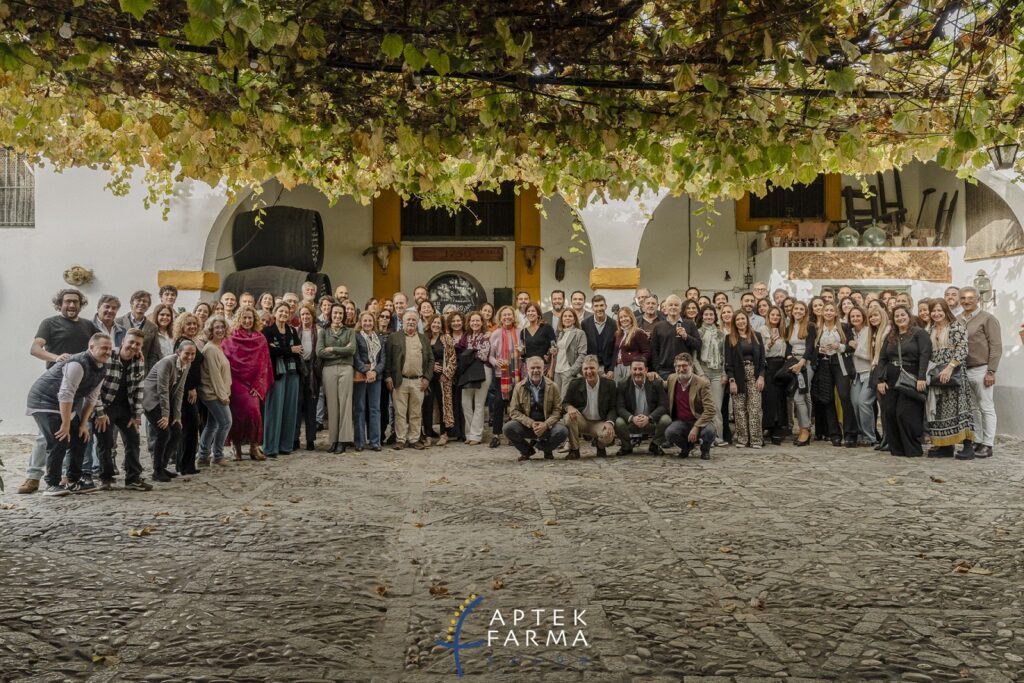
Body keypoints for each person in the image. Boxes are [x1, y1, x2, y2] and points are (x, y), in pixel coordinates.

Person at [18, 288, 98, 494]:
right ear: (59, 304)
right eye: (67, 302)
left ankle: (64, 476)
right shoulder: (49, 323)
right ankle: (33, 476)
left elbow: (98, 347)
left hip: (78, 388)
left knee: (73, 433)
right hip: (53, 388)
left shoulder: (88, 325)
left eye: (76, 302)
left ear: (81, 304)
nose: (72, 305)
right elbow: (35, 349)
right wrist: (56, 358)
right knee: (46, 436)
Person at [26, 332, 112, 496]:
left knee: (80, 437)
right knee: (60, 438)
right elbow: (65, 394)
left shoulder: (102, 367)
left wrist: (83, 425)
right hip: (43, 401)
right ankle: (52, 484)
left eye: (110, 349)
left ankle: (73, 480)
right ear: (91, 347)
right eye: (104, 348)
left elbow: (91, 398)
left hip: (63, 404)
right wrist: (65, 425)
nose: (108, 352)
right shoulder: (77, 363)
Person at [94, 328, 150, 490]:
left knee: (133, 440)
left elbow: (139, 388)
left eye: (138, 344)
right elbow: (95, 387)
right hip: (106, 406)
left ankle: (133, 478)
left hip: (126, 407)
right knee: (106, 442)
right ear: (123, 340)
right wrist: (99, 413)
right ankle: (106, 477)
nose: (133, 346)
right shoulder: (108, 356)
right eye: (131, 342)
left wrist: (137, 414)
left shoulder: (138, 360)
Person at [876, 306, 931, 457]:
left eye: (903, 315)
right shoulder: (891, 336)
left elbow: (924, 356)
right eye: (896, 316)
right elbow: (882, 358)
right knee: (890, 412)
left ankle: (912, 448)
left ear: (909, 315)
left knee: (906, 413)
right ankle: (897, 449)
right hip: (891, 377)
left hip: (911, 375)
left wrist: (921, 377)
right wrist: (880, 379)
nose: (900, 318)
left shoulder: (920, 333)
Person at [926, 299, 975, 458]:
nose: (936, 313)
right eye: (933, 310)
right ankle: (945, 446)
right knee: (940, 410)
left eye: (940, 310)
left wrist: (949, 368)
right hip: (936, 373)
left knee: (960, 408)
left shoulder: (955, 326)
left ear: (946, 311)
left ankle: (968, 448)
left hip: (954, 372)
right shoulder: (930, 329)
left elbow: (962, 349)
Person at [222, 306, 272, 461]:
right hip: (235, 381)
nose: (247, 321)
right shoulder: (230, 337)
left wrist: (258, 386)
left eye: (250, 318)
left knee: (254, 411)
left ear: (255, 319)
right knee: (236, 415)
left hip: (253, 383)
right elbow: (225, 360)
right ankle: (236, 448)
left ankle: (254, 447)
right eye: (244, 318)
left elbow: (264, 363)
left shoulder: (260, 338)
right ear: (239, 319)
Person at [958, 286, 1002, 459]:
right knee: (972, 409)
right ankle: (978, 440)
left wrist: (991, 371)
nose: (966, 301)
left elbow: (996, 346)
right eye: (963, 298)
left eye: (970, 298)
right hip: (963, 370)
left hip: (982, 369)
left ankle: (988, 444)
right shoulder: (957, 319)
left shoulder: (988, 318)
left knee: (986, 407)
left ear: (977, 299)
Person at [143, 341, 196, 482]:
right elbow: (162, 390)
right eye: (187, 353)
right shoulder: (167, 363)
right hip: (151, 400)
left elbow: (179, 390)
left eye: (192, 354)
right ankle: (157, 470)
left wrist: (176, 416)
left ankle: (163, 465)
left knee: (177, 430)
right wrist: (166, 415)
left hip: (165, 401)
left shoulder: (187, 364)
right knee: (163, 432)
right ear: (178, 352)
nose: (190, 357)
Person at [808, 302, 857, 447]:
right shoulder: (817, 329)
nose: (829, 312)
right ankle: (834, 434)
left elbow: (852, 347)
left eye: (831, 310)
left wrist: (839, 346)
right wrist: (819, 351)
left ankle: (850, 434)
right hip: (823, 365)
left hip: (840, 363)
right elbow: (811, 349)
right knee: (827, 399)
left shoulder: (845, 327)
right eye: (826, 310)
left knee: (844, 397)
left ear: (836, 313)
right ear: (822, 313)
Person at [503, 356, 569, 461]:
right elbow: (513, 411)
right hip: (528, 426)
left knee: (563, 431)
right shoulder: (519, 387)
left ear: (543, 369)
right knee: (508, 428)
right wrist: (531, 423)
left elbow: (558, 410)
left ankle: (545, 448)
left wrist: (546, 424)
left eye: (538, 368)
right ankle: (527, 451)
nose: (536, 371)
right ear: (527, 369)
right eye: (532, 368)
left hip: (548, 427)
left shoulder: (553, 386)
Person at [385, 311, 433, 450]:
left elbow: (430, 360)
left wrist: (427, 378)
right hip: (400, 381)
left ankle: (414, 439)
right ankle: (400, 439)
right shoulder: (394, 337)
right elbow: (388, 359)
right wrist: (388, 376)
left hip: (419, 382)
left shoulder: (423, 339)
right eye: (408, 320)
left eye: (413, 320)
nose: (411, 322)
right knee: (399, 412)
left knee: (416, 412)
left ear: (417, 322)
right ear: (403, 322)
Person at [262, 302, 301, 458]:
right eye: (281, 311)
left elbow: (299, 349)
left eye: (286, 312)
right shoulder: (267, 331)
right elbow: (269, 351)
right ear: (275, 313)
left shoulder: (292, 330)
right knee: (274, 410)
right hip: (276, 373)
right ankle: (270, 447)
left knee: (290, 409)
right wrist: (289, 350)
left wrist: (281, 351)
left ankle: (286, 445)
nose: (284, 314)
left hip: (292, 372)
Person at [318, 302, 357, 453]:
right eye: (335, 313)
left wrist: (333, 349)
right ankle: (333, 440)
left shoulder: (349, 332)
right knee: (332, 405)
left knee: (345, 404)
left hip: (346, 369)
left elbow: (352, 350)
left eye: (341, 313)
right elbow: (320, 352)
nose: (338, 316)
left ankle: (343, 440)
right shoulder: (324, 332)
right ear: (330, 314)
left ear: (344, 315)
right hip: (328, 370)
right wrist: (343, 350)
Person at [561, 355, 616, 459]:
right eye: (585, 369)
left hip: (600, 421)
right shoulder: (574, 384)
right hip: (583, 420)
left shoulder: (609, 385)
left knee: (608, 434)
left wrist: (609, 422)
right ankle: (574, 450)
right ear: (582, 371)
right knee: (568, 417)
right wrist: (569, 408)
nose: (589, 371)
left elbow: (613, 407)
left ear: (598, 368)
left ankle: (600, 446)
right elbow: (564, 403)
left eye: (592, 368)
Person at [664, 353, 717, 459]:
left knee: (709, 431)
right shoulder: (672, 379)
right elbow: (661, 384)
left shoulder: (702, 383)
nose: (681, 369)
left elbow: (710, 410)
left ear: (691, 367)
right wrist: (652, 376)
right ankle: (686, 447)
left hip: (699, 420)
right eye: (678, 366)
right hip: (681, 421)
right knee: (670, 433)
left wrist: (696, 427)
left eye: (684, 366)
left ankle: (705, 449)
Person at [725, 311, 765, 448]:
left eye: (743, 319)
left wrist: (761, 376)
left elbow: (762, 360)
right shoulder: (729, 338)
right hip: (737, 375)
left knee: (755, 407)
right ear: (734, 323)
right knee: (739, 408)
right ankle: (742, 439)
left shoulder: (757, 336)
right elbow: (728, 362)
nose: (740, 322)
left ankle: (756, 440)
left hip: (754, 374)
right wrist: (732, 380)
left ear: (747, 320)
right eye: (737, 320)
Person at [614, 358, 669, 455]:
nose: (637, 372)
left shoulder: (656, 383)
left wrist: (649, 418)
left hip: (651, 422)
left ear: (646, 370)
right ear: (630, 370)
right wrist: (632, 418)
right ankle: (626, 447)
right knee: (618, 422)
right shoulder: (623, 384)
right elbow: (620, 407)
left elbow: (663, 405)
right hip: (632, 423)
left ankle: (655, 445)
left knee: (666, 420)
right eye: (634, 369)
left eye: (640, 369)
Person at [172, 313, 205, 474]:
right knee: (189, 427)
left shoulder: (191, 342)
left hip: (191, 389)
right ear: (182, 326)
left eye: (194, 324)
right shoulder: (182, 343)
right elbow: (185, 367)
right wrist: (191, 387)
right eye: (188, 324)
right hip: (186, 390)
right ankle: (185, 465)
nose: (192, 327)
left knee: (191, 427)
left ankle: (186, 464)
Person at [197, 315, 232, 467]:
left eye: (222, 327)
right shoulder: (210, 349)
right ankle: (217, 455)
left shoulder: (218, 346)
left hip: (217, 392)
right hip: (212, 394)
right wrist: (222, 395)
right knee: (226, 422)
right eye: (216, 327)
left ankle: (203, 456)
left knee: (212, 425)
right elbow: (214, 375)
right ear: (211, 330)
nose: (220, 330)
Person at [488, 305, 521, 447]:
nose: (507, 317)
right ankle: (496, 434)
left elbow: (524, 353)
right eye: (504, 315)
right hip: (500, 374)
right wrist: (497, 362)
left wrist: (521, 351)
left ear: (514, 317)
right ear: (500, 318)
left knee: (515, 404)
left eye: (510, 315)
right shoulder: (495, 333)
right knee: (499, 403)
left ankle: (513, 434)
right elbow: (490, 356)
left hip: (517, 374)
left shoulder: (520, 332)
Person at [456, 311, 491, 445]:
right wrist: (471, 352)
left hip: (483, 370)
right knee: (465, 403)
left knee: (479, 404)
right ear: (469, 323)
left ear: (482, 322)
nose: (475, 323)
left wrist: (468, 353)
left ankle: (476, 435)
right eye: (472, 321)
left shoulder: (487, 336)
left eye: (477, 321)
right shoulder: (466, 336)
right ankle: (469, 433)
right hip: (468, 372)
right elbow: (459, 350)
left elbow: (483, 355)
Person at [421, 314, 456, 446]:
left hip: (443, 378)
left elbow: (453, 358)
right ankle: (428, 435)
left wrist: (446, 374)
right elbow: (420, 357)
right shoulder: (424, 339)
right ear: (430, 324)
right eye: (434, 323)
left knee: (444, 406)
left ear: (442, 325)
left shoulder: (447, 339)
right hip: (428, 377)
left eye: (439, 323)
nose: (436, 325)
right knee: (427, 406)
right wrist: (430, 367)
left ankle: (444, 434)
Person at [353, 311, 385, 452]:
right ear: (360, 322)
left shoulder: (380, 338)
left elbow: (383, 359)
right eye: (365, 321)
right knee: (359, 409)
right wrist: (366, 371)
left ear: (374, 322)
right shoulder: (356, 336)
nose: (367, 323)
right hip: (361, 376)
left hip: (376, 377)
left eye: (370, 321)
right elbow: (356, 357)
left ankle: (375, 442)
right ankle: (359, 441)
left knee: (375, 409)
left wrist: (375, 372)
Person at [649, 295, 701, 380]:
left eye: (676, 305)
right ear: (665, 308)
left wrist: (686, 337)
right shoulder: (658, 326)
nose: (673, 307)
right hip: (664, 371)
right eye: (670, 305)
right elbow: (654, 350)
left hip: (685, 369)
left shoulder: (689, 324)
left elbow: (698, 345)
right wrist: (658, 369)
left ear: (680, 308)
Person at [696, 305, 727, 444]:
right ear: (702, 316)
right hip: (702, 373)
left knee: (716, 407)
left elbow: (725, 356)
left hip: (717, 374)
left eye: (711, 314)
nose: (709, 317)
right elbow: (694, 357)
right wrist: (701, 374)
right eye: (706, 314)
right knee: (703, 406)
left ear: (715, 317)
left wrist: (724, 373)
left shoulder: (722, 334)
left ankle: (717, 436)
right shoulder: (697, 333)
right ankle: (705, 437)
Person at [848, 305, 877, 447]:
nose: (855, 318)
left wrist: (856, 348)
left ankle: (870, 436)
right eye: (852, 316)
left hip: (869, 372)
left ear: (863, 317)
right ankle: (860, 434)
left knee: (863, 402)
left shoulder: (869, 331)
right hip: (856, 374)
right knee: (854, 403)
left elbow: (871, 356)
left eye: (858, 316)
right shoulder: (850, 332)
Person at [785, 301, 813, 447]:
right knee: (804, 396)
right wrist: (790, 358)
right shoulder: (790, 326)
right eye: (796, 308)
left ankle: (804, 430)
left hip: (805, 364)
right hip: (793, 362)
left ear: (805, 311)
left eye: (801, 309)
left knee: (800, 396)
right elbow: (787, 346)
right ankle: (807, 427)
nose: (798, 311)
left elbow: (810, 347)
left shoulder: (810, 326)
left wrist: (801, 363)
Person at [761, 306, 789, 444]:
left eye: (778, 315)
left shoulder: (784, 331)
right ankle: (770, 426)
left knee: (781, 397)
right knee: (770, 398)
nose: (775, 317)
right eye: (773, 314)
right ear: (768, 315)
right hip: (769, 365)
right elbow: (761, 352)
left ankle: (780, 427)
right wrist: (770, 344)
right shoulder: (762, 330)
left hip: (782, 366)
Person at [295, 304, 321, 452]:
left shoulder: (318, 332)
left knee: (311, 407)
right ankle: (295, 438)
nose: (305, 317)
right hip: (298, 370)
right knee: (297, 407)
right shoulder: (295, 331)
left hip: (312, 372)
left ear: (312, 316)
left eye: (308, 314)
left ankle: (310, 439)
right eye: (303, 314)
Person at [116, 290, 162, 371]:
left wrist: (150, 373)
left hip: (141, 371)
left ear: (148, 306)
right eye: (138, 300)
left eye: (145, 301)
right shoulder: (117, 322)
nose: (141, 303)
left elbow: (153, 354)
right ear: (132, 303)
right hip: (118, 368)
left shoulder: (153, 327)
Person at [551, 309, 587, 393]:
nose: (567, 318)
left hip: (568, 371)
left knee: (564, 400)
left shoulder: (579, 333)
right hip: (557, 371)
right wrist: (554, 352)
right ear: (562, 319)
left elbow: (582, 354)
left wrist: (572, 371)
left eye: (570, 316)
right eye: (565, 316)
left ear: (574, 319)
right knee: (557, 401)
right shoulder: (560, 334)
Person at [611, 307, 651, 382]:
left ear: (631, 317)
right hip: (618, 367)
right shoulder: (618, 334)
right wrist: (612, 368)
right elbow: (615, 353)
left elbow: (646, 352)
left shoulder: (638, 332)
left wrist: (637, 365)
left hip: (631, 367)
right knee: (618, 391)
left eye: (625, 316)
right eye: (621, 317)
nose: (623, 319)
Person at [582, 295, 616, 374]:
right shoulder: (585, 324)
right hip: (590, 368)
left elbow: (615, 349)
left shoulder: (614, 324)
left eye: (601, 305)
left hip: (608, 368)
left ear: (606, 306)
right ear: (592, 308)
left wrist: (612, 368)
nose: (599, 308)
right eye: (596, 306)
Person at [519, 302, 556, 369]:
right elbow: (523, 354)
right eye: (528, 311)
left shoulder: (547, 328)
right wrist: (521, 351)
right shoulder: (523, 332)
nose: (530, 313)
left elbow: (554, 348)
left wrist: (551, 369)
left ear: (538, 313)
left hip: (543, 367)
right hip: (528, 368)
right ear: (526, 314)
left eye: (533, 311)